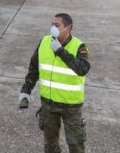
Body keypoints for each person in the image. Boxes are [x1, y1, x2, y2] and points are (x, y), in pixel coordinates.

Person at [19, 13, 90, 153]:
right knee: (50, 144)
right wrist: (25, 91)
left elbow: (83, 68)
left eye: (57, 25)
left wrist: (60, 51)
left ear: (68, 28)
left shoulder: (79, 46)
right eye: (52, 25)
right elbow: (34, 69)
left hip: (71, 106)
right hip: (48, 104)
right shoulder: (45, 42)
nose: (53, 28)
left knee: (76, 144)